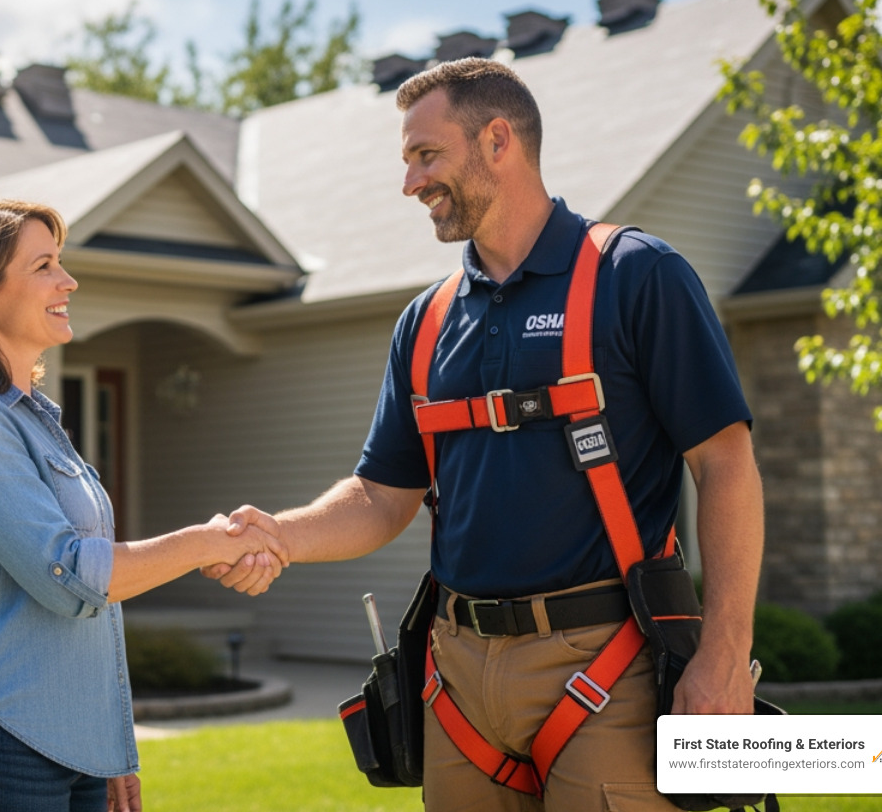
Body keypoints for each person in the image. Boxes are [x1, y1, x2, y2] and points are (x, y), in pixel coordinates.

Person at [209, 58, 764, 810]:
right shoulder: (428, 321)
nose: (410, 183)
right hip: (457, 675)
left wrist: (726, 653)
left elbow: (725, 464)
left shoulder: (637, 277)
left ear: (498, 140)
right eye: (407, 160)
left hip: (607, 662)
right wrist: (282, 533)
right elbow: (380, 495)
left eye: (426, 155)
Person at [0, 199, 287, 812]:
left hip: (72, 745)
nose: (68, 280)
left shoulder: (39, 423)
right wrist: (206, 543)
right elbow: (73, 577)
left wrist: (108, 745)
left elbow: (93, 610)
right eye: (44, 265)